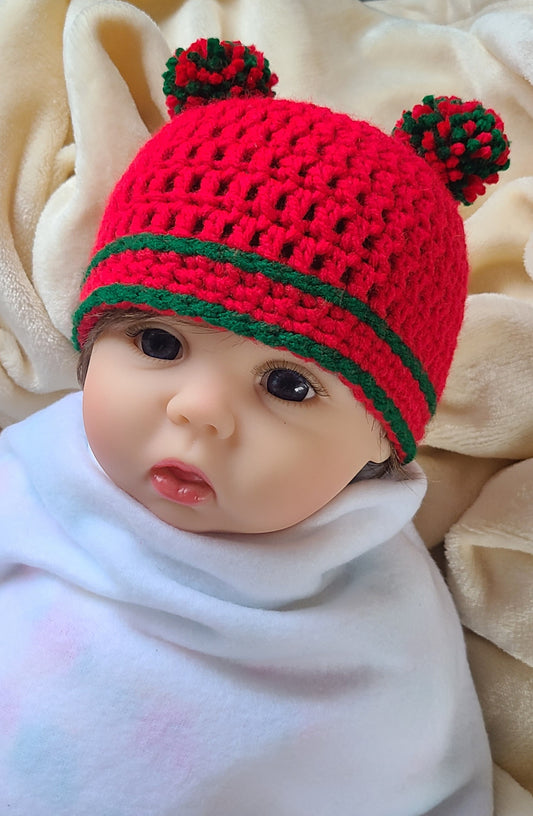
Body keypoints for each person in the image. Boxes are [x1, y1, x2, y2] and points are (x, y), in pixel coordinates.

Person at [0, 38, 510, 816]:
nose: (197, 409)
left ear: (381, 437)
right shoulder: (35, 472)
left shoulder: (377, 634)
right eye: (158, 343)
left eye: (286, 384)